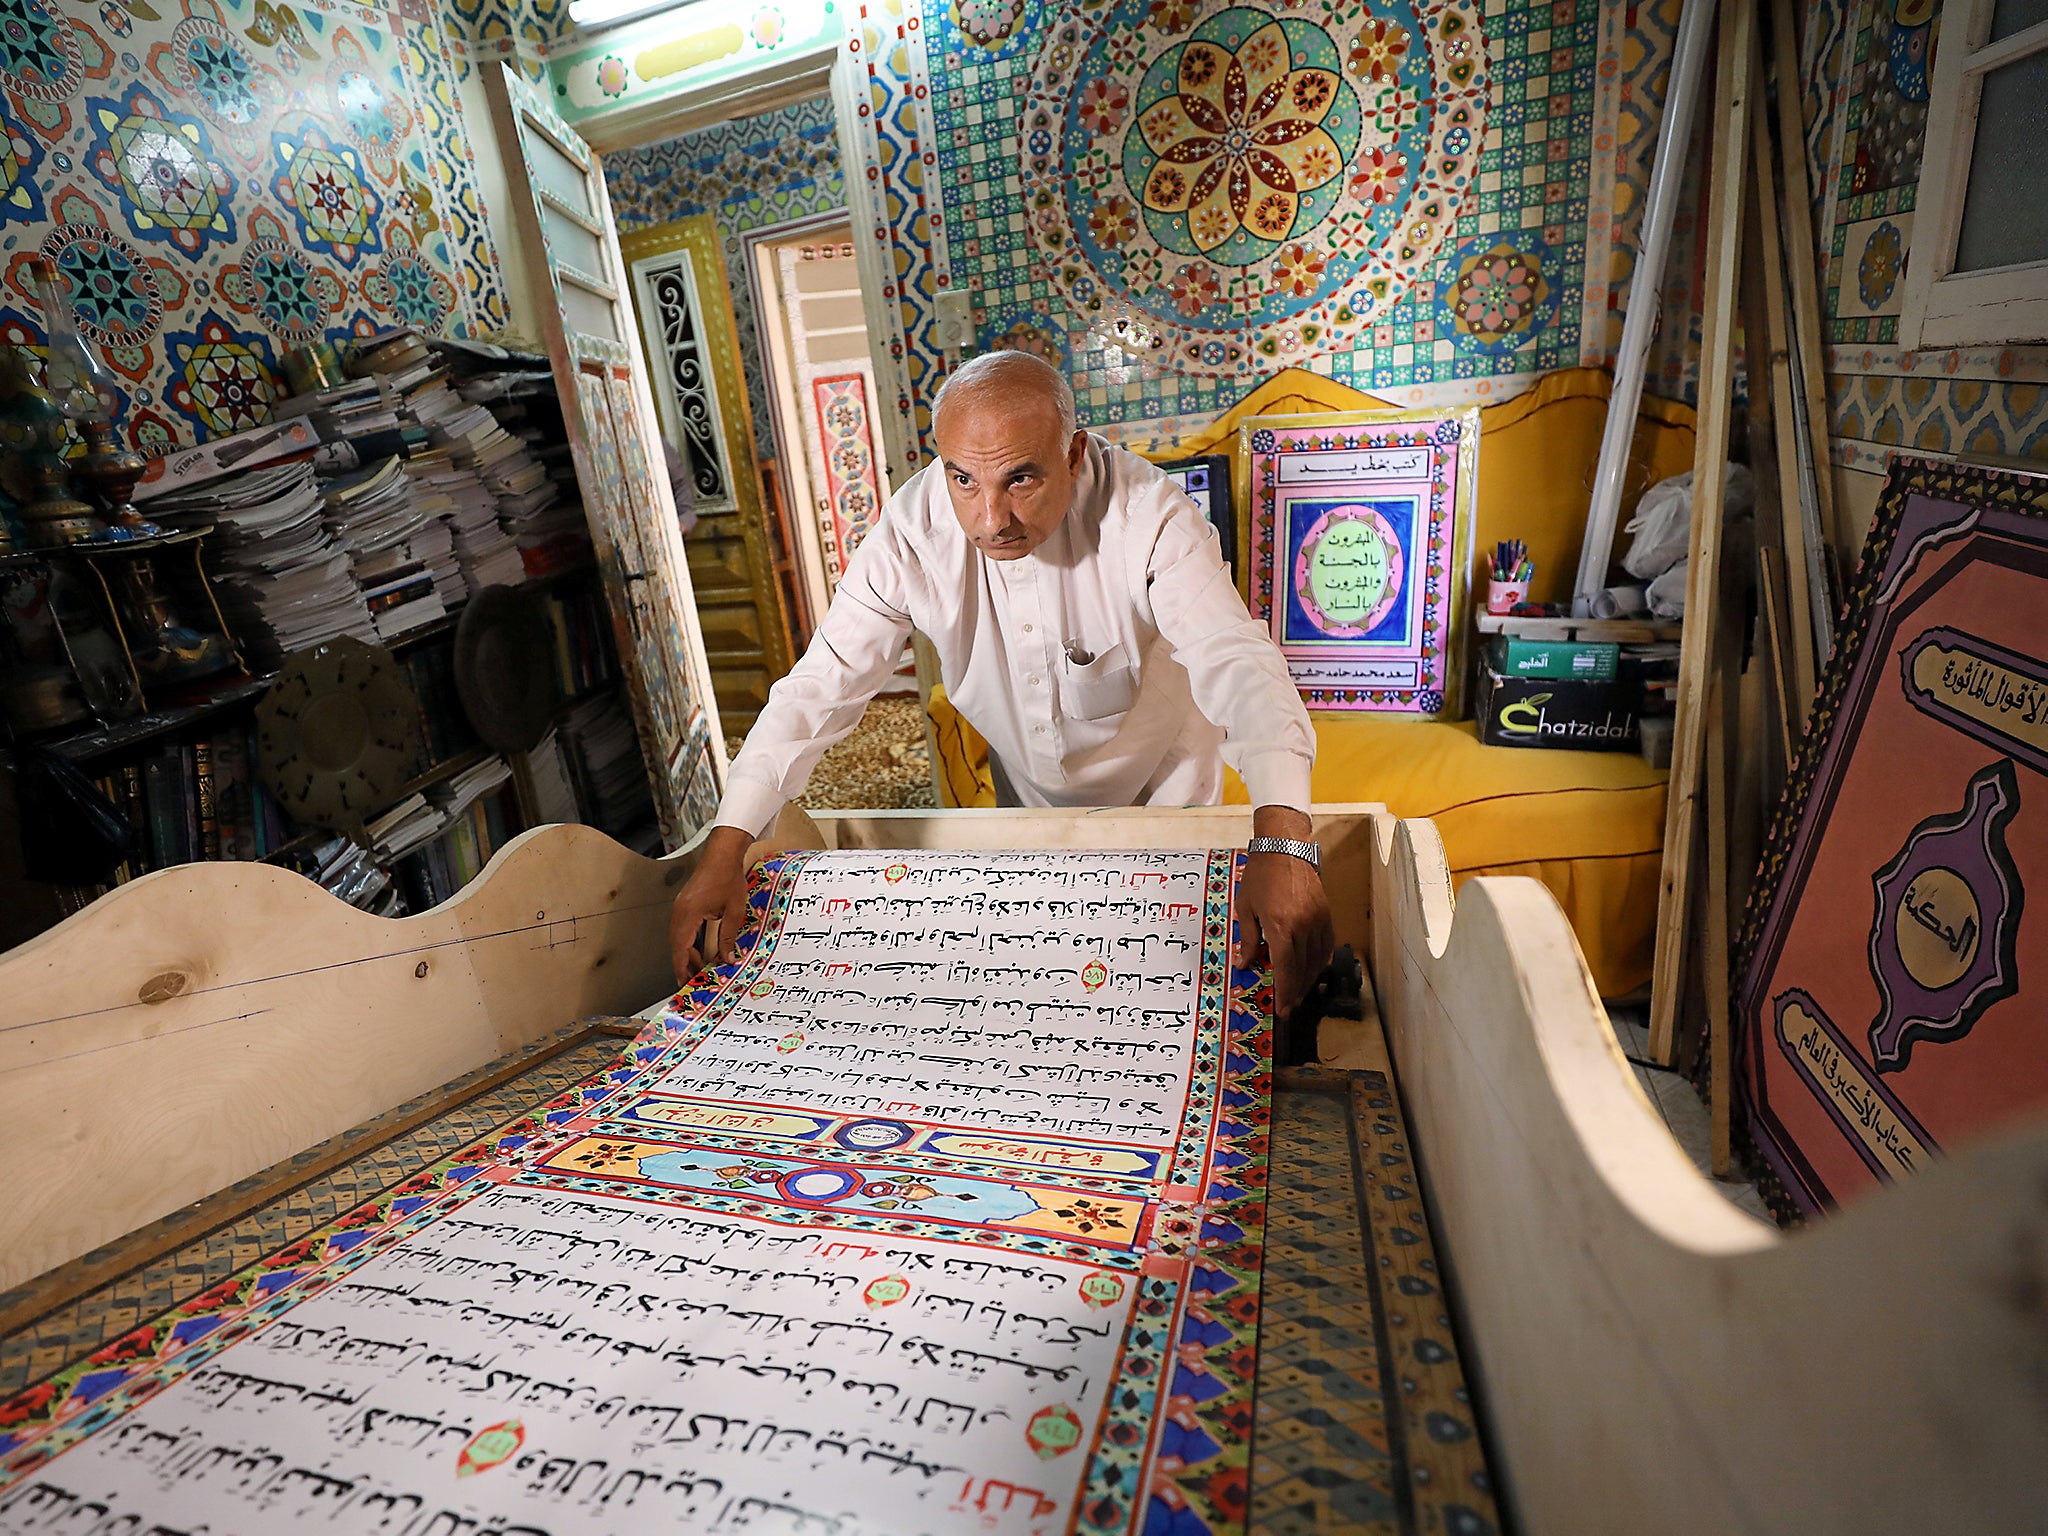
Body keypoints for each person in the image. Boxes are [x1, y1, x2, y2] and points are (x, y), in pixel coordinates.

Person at [669, 350, 1333, 1009]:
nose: (990, 520)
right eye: (963, 480)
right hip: (1032, 802)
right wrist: (730, 841)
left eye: (1020, 480)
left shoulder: (1150, 516)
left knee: (1175, 987)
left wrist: (1283, 836)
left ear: (1073, 455)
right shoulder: (911, 534)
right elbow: (819, 686)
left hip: (1169, 794)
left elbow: (1236, 657)